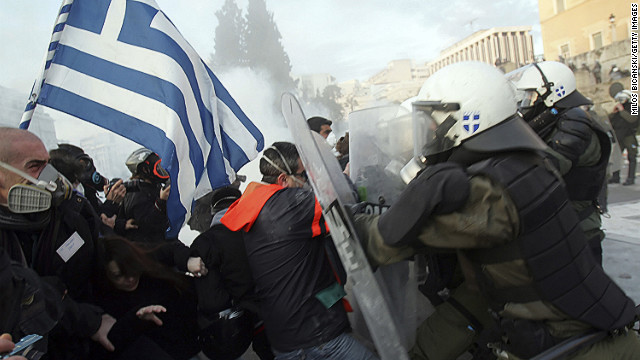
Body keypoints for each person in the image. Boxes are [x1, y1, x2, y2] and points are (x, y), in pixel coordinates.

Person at [353, 62, 640, 359]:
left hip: (577, 348)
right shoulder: (524, 164)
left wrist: (346, 218)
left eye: (435, 121)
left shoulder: (490, 192)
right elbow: (472, 298)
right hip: (592, 333)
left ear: (468, 118)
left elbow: (388, 241)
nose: (431, 131)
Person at [221, 142, 378, 360]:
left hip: (283, 337)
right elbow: (343, 201)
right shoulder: (290, 204)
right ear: (283, 180)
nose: (306, 181)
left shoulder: (256, 204)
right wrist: (343, 176)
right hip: (315, 335)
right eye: (303, 175)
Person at [0, 128, 115, 359]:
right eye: (34, 166)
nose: (49, 177)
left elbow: (101, 276)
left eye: (47, 164)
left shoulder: (75, 215)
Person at [506, 60, 611, 264]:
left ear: (552, 92)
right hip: (563, 228)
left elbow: (543, 170)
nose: (527, 102)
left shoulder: (575, 122)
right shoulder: (558, 121)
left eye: (531, 95)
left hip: (578, 230)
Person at [190, 186, 274, 360]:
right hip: (287, 308)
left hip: (251, 322)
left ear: (213, 211)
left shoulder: (205, 242)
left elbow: (212, 300)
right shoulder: (264, 225)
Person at [89, 235, 200, 360]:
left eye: (131, 269)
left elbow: (171, 249)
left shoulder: (145, 262)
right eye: (119, 276)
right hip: (177, 350)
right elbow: (112, 343)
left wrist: (186, 260)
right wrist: (136, 320)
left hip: (198, 323)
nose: (130, 279)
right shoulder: (106, 304)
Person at [114, 148, 206, 276]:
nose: (162, 171)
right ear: (145, 170)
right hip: (153, 259)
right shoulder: (135, 193)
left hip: (164, 251)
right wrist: (161, 202)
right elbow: (147, 226)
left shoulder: (153, 188)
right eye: (158, 167)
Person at [48, 144, 126, 233]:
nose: (86, 170)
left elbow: (98, 216)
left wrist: (121, 224)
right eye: (80, 166)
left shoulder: (87, 191)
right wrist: (111, 204)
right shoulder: (65, 206)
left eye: (85, 164)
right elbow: (95, 232)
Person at [609, 90, 638, 185]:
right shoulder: (619, 109)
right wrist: (614, 113)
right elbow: (611, 122)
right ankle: (615, 177)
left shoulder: (633, 107)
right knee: (616, 157)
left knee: (632, 157)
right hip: (619, 136)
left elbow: (632, 119)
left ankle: (631, 178)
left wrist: (622, 111)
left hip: (629, 136)